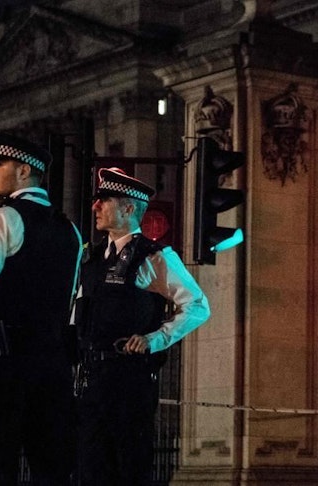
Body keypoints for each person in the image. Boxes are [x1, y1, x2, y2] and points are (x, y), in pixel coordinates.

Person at [0, 132, 82, 485]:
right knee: (51, 463)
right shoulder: (70, 230)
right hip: (53, 362)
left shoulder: (4, 218)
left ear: (24, 171)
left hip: (4, 358)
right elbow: (70, 299)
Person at [74, 167, 210, 485]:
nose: (95, 206)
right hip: (91, 379)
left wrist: (155, 339)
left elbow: (197, 306)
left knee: (129, 467)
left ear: (129, 208)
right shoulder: (92, 261)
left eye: (104, 200)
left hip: (129, 379)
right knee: (91, 469)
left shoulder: (153, 257)